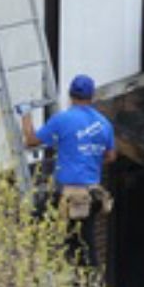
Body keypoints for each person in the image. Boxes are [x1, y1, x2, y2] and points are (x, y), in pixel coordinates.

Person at [21, 74, 116, 269]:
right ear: (92, 96)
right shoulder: (104, 124)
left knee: (36, 217)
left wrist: (25, 115)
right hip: (92, 194)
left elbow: (31, 141)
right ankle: (91, 286)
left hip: (68, 194)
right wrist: (90, 157)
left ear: (70, 95)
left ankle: (46, 269)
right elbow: (111, 156)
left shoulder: (63, 120)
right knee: (84, 241)